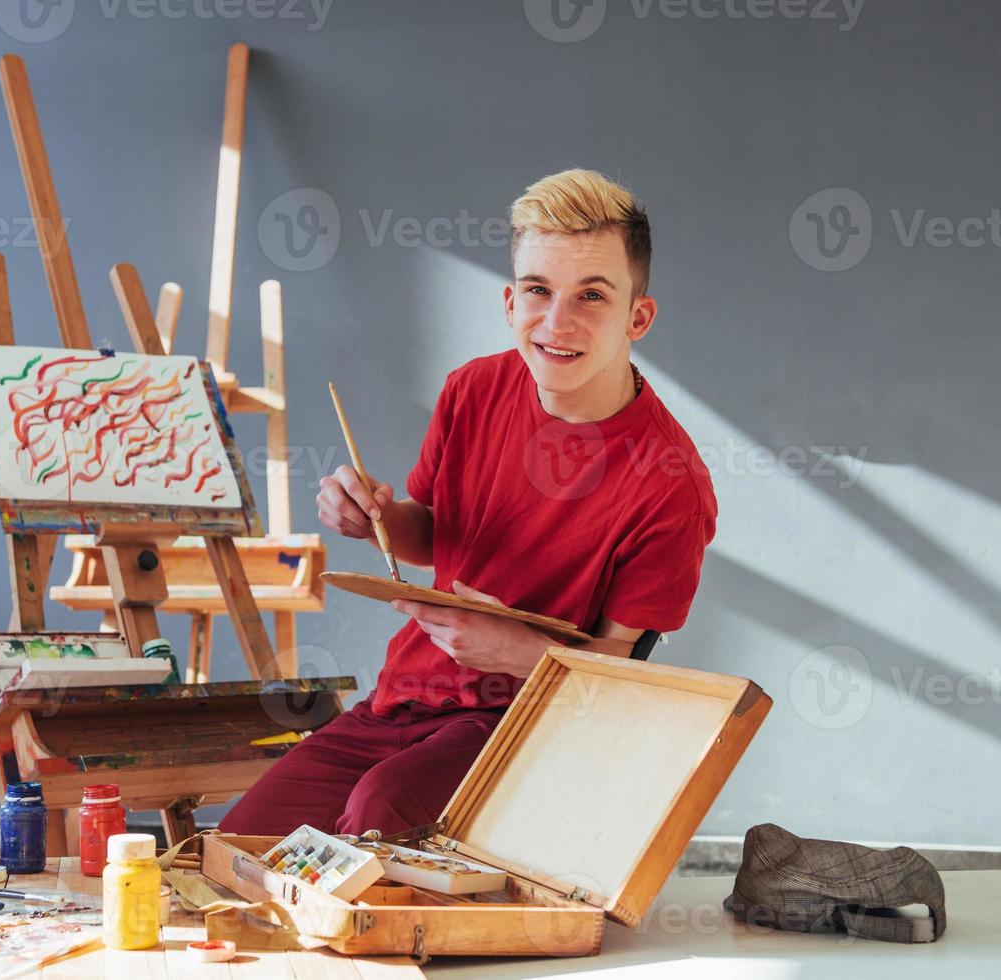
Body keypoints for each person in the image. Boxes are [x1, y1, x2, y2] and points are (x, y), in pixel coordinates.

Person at [219, 168, 717, 836]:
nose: (556, 321)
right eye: (538, 291)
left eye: (590, 297)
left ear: (638, 316)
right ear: (510, 302)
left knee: (374, 824)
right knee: (241, 845)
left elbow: (617, 677)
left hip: (523, 723)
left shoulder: (671, 483)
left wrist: (516, 651)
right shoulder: (472, 389)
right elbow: (431, 532)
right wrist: (372, 520)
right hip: (400, 701)